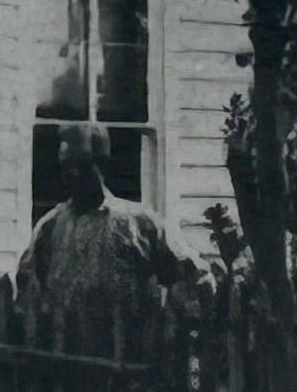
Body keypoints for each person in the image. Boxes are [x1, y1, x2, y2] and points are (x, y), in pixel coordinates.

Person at [17, 124, 192, 327]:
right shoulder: (50, 227)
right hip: (65, 340)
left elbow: (191, 275)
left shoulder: (139, 223)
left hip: (128, 340)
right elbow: (26, 290)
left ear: (102, 165)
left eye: (81, 164)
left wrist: (176, 322)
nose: (72, 172)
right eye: (66, 165)